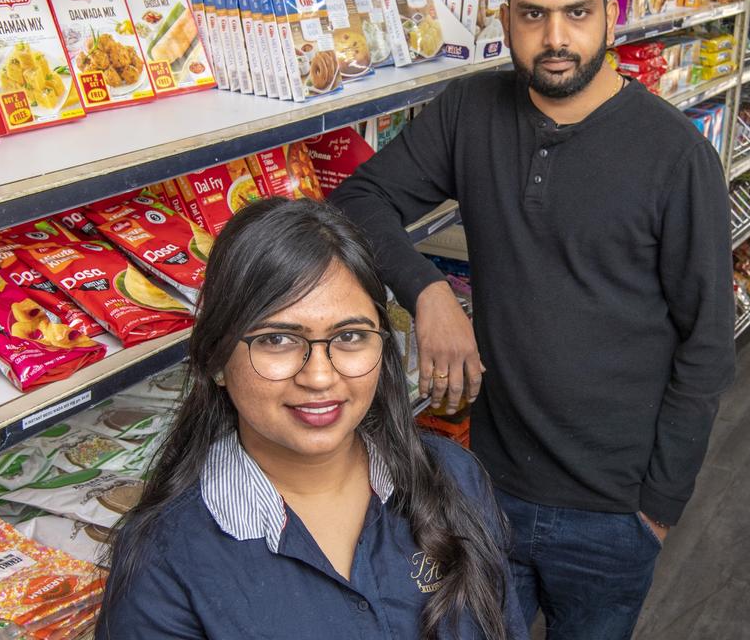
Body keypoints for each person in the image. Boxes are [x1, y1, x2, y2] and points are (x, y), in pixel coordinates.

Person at [330, 0, 737, 636]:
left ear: (613, 12)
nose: (555, 38)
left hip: (612, 511)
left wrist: (657, 508)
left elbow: (707, 344)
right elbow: (361, 200)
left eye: (577, 13)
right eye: (533, 14)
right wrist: (429, 294)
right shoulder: (470, 112)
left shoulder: (676, 157)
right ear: (505, 17)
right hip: (490, 487)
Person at [97, 198, 526, 640]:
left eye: (350, 336)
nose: (320, 376)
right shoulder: (164, 558)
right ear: (216, 360)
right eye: (278, 339)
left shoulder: (452, 476)